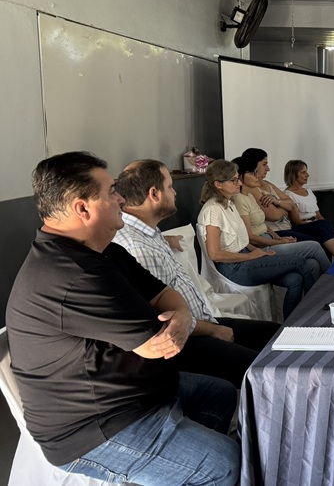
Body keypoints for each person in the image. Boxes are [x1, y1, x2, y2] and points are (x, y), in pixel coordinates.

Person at [6, 151, 239, 485]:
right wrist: (179, 320)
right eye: (111, 190)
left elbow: (166, 295)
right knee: (225, 463)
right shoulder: (73, 274)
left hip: (135, 393)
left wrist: (183, 315)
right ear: (82, 208)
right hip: (98, 427)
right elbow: (157, 344)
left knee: (221, 393)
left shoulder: (101, 249)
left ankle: (178, 471)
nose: (120, 197)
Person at [114, 159, 282, 385]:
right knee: (266, 373)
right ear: (154, 194)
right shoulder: (138, 247)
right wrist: (214, 331)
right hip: (189, 341)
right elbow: (164, 321)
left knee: (279, 335)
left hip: (203, 322)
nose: (175, 193)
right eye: (171, 187)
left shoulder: (148, 233)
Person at [198, 159, 318, 317]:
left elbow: (241, 240)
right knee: (299, 261)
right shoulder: (213, 210)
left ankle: (290, 324)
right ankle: (318, 309)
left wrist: (259, 252)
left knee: (295, 280)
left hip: (245, 258)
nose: (239, 183)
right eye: (233, 180)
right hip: (234, 268)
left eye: (238, 179)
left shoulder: (229, 203)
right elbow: (214, 254)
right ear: (218, 184)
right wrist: (250, 255)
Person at [231, 156, 332, 271]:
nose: (258, 176)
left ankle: (325, 285)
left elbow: (265, 225)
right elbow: (253, 235)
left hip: (271, 237)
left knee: (312, 263)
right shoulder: (239, 199)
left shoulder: (249, 196)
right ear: (241, 177)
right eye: (254, 173)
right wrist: (277, 241)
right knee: (315, 245)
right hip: (263, 245)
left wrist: (279, 238)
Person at [239, 147, 311, 242]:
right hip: (279, 231)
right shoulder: (251, 190)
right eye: (264, 164)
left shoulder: (267, 183)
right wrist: (287, 208)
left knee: (324, 226)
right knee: (315, 243)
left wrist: (277, 202)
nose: (268, 169)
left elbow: (292, 203)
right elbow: (275, 215)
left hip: (286, 229)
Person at [283, 159, 334, 258]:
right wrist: (319, 226)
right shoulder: (288, 194)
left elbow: (318, 215)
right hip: (303, 226)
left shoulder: (308, 191)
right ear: (293, 174)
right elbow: (296, 221)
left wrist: (326, 227)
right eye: (303, 172)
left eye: (306, 171)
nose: (307, 175)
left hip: (317, 225)